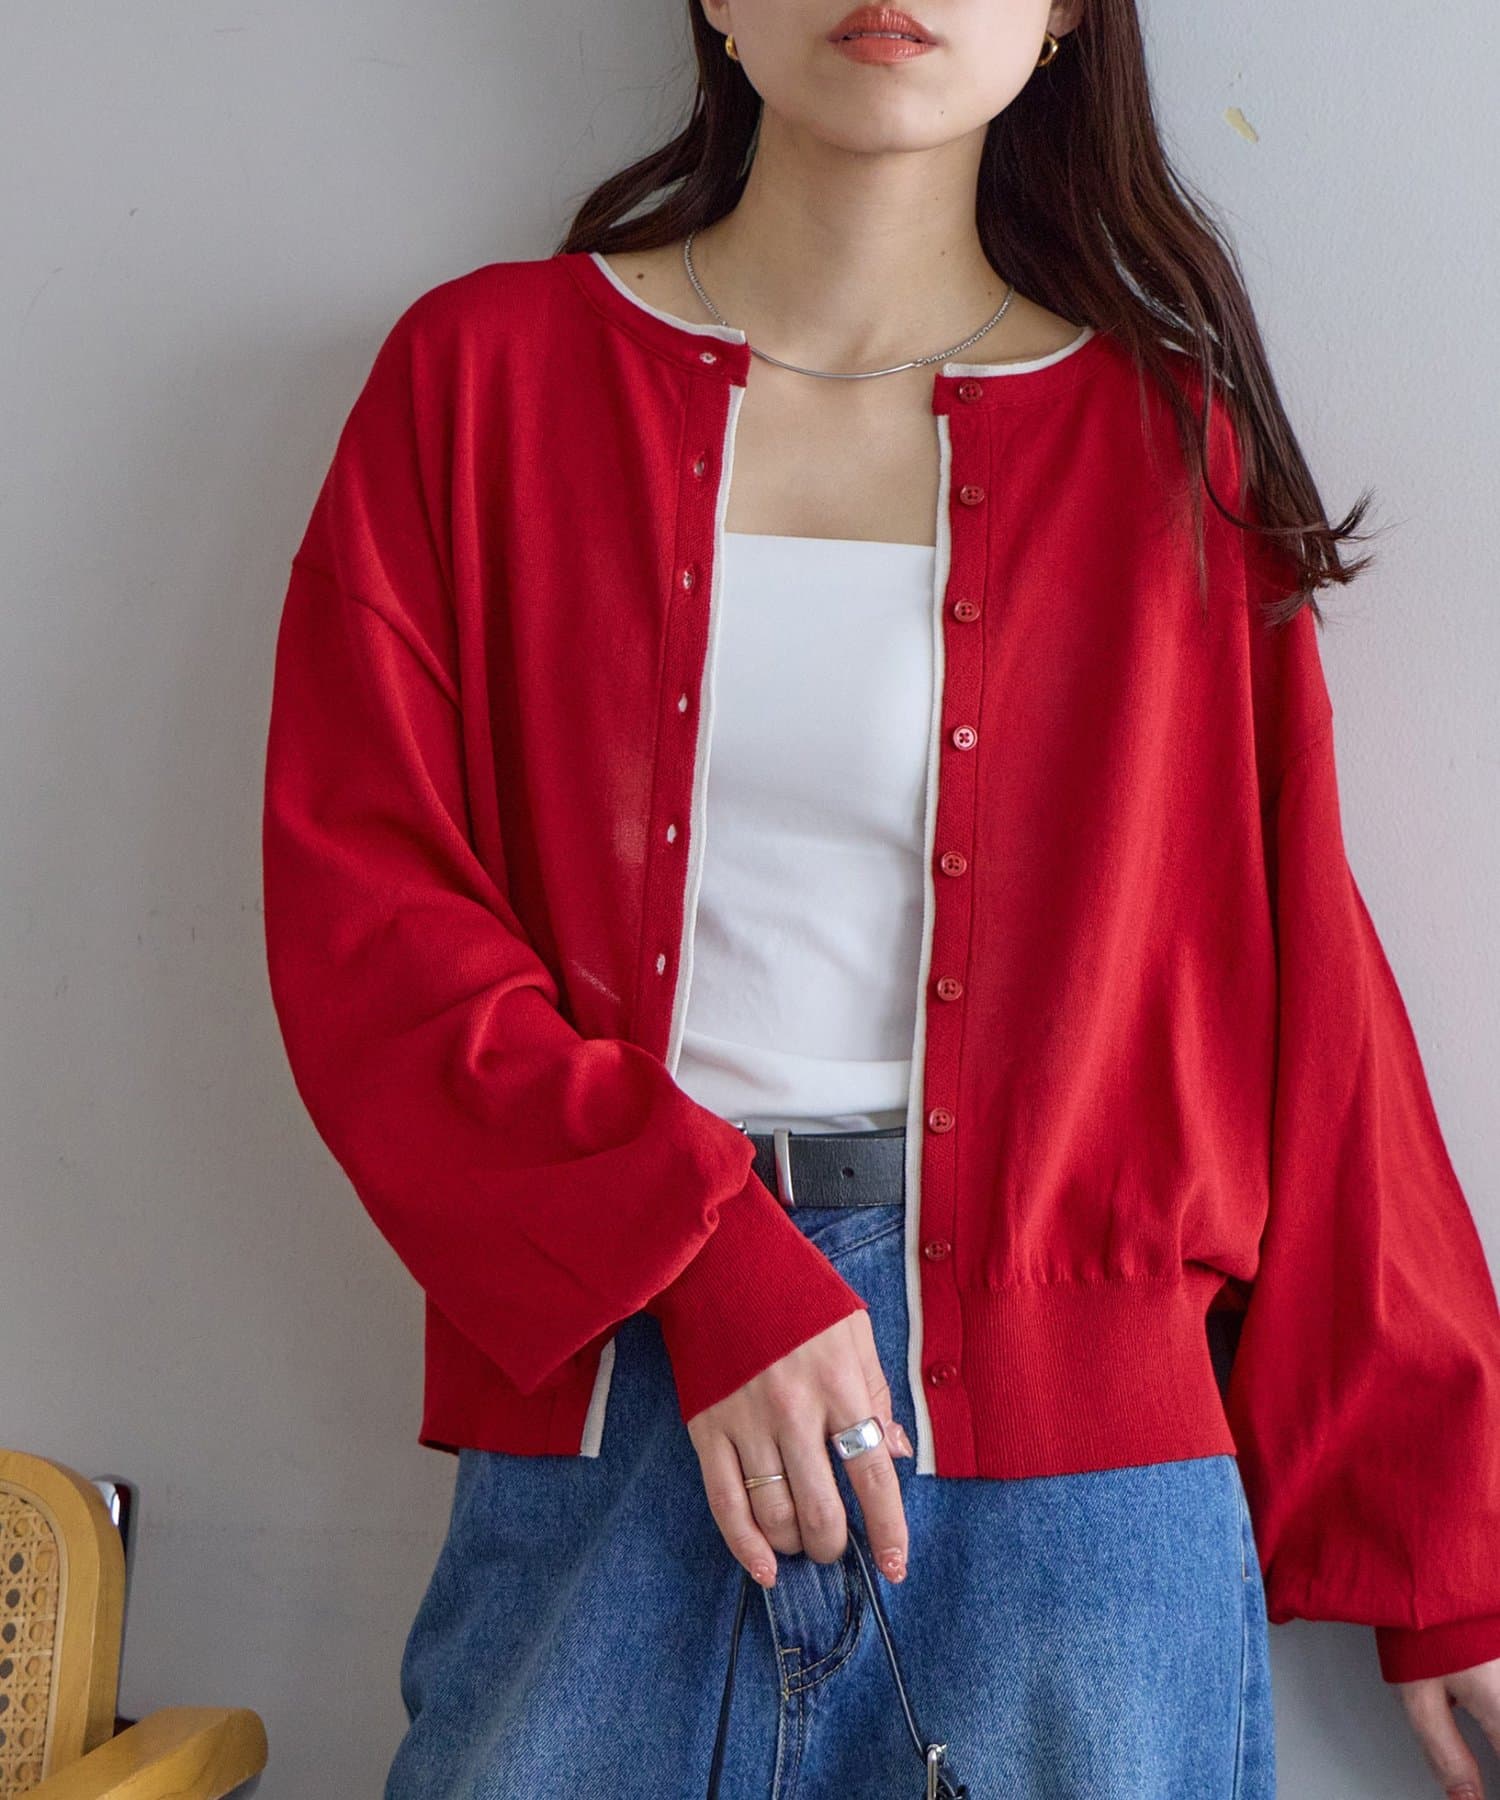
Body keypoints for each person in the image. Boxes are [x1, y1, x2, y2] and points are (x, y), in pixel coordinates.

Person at [260, 3, 1500, 1795]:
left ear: (1064, 14)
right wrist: (698, 1257)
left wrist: (1444, 1541)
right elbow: (366, 918)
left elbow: (1309, 1001)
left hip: (1079, 1505)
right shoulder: (482, 382)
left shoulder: (1169, 447)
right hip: (623, 1403)